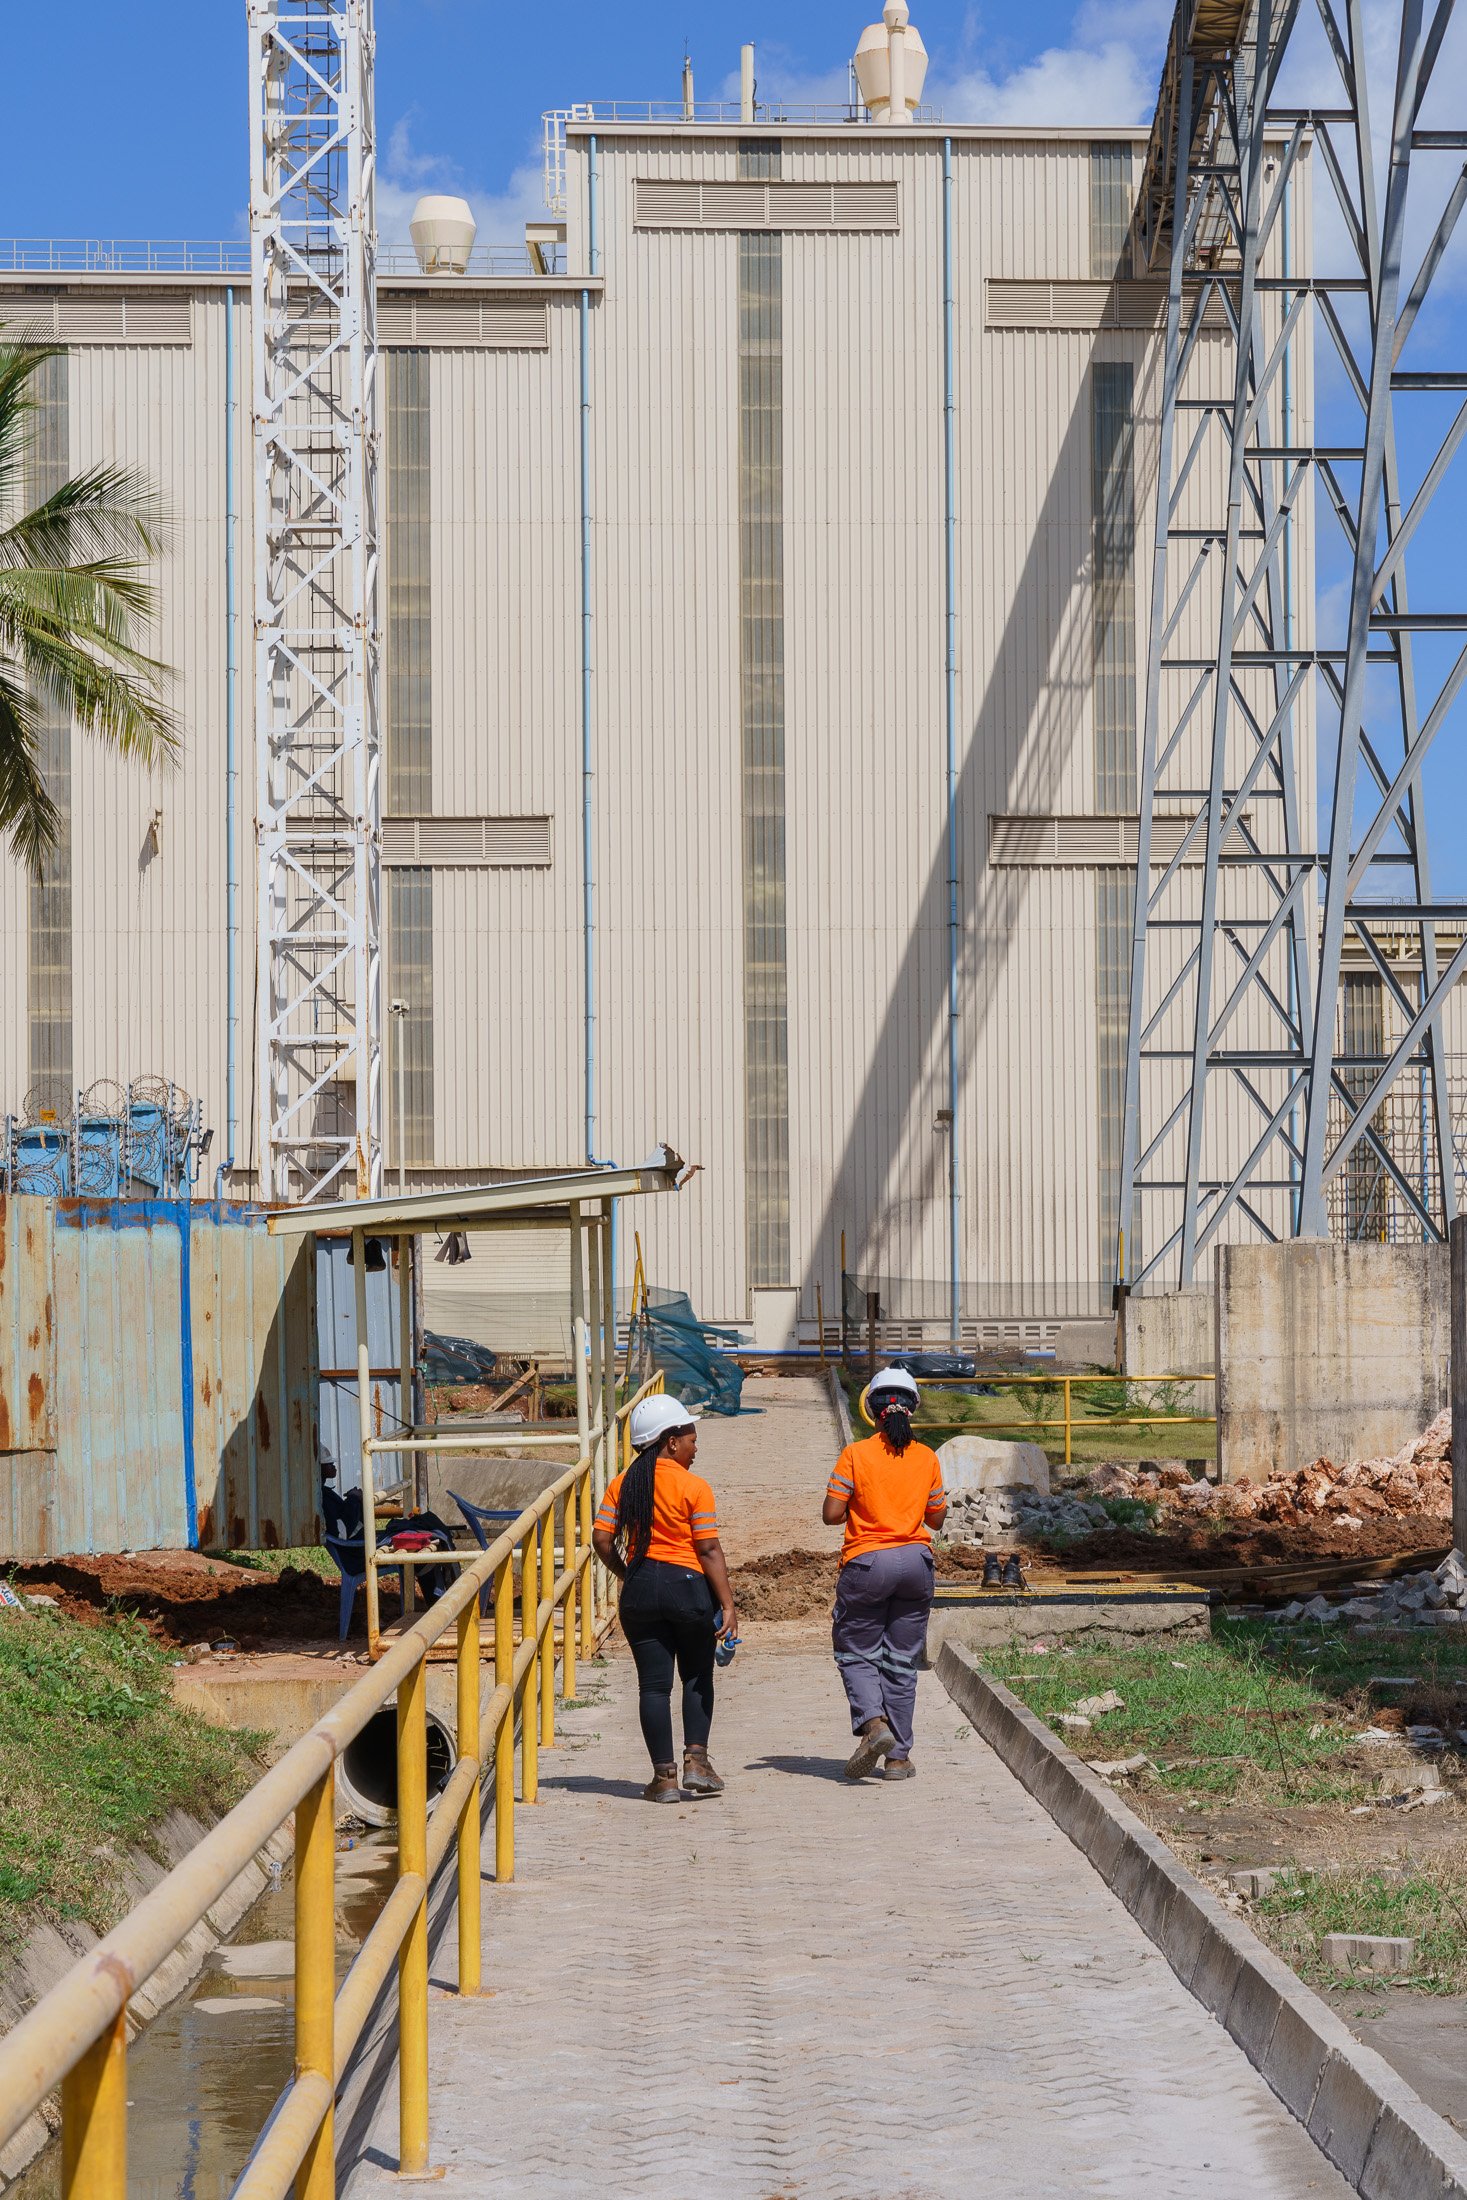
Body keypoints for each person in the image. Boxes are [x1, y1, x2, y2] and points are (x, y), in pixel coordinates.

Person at [592, 1392, 738, 1803]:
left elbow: (601, 1539)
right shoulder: (694, 1487)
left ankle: (665, 1779)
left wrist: (627, 1573)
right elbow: (709, 1550)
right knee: (696, 1675)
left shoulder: (623, 1484)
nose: (696, 1446)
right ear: (670, 1441)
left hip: (640, 1592)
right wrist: (727, 1604)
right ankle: (697, 1762)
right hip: (688, 1589)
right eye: (691, 1437)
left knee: (653, 1687)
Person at [823, 1366, 946, 1782]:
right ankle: (898, 1759)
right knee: (900, 1662)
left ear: (871, 1410)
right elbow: (937, 1519)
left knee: (856, 1651)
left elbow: (831, 1515)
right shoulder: (927, 1457)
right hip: (916, 1566)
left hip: (867, 1565)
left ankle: (874, 1725)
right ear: (913, 1409)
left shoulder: (855, 1455)